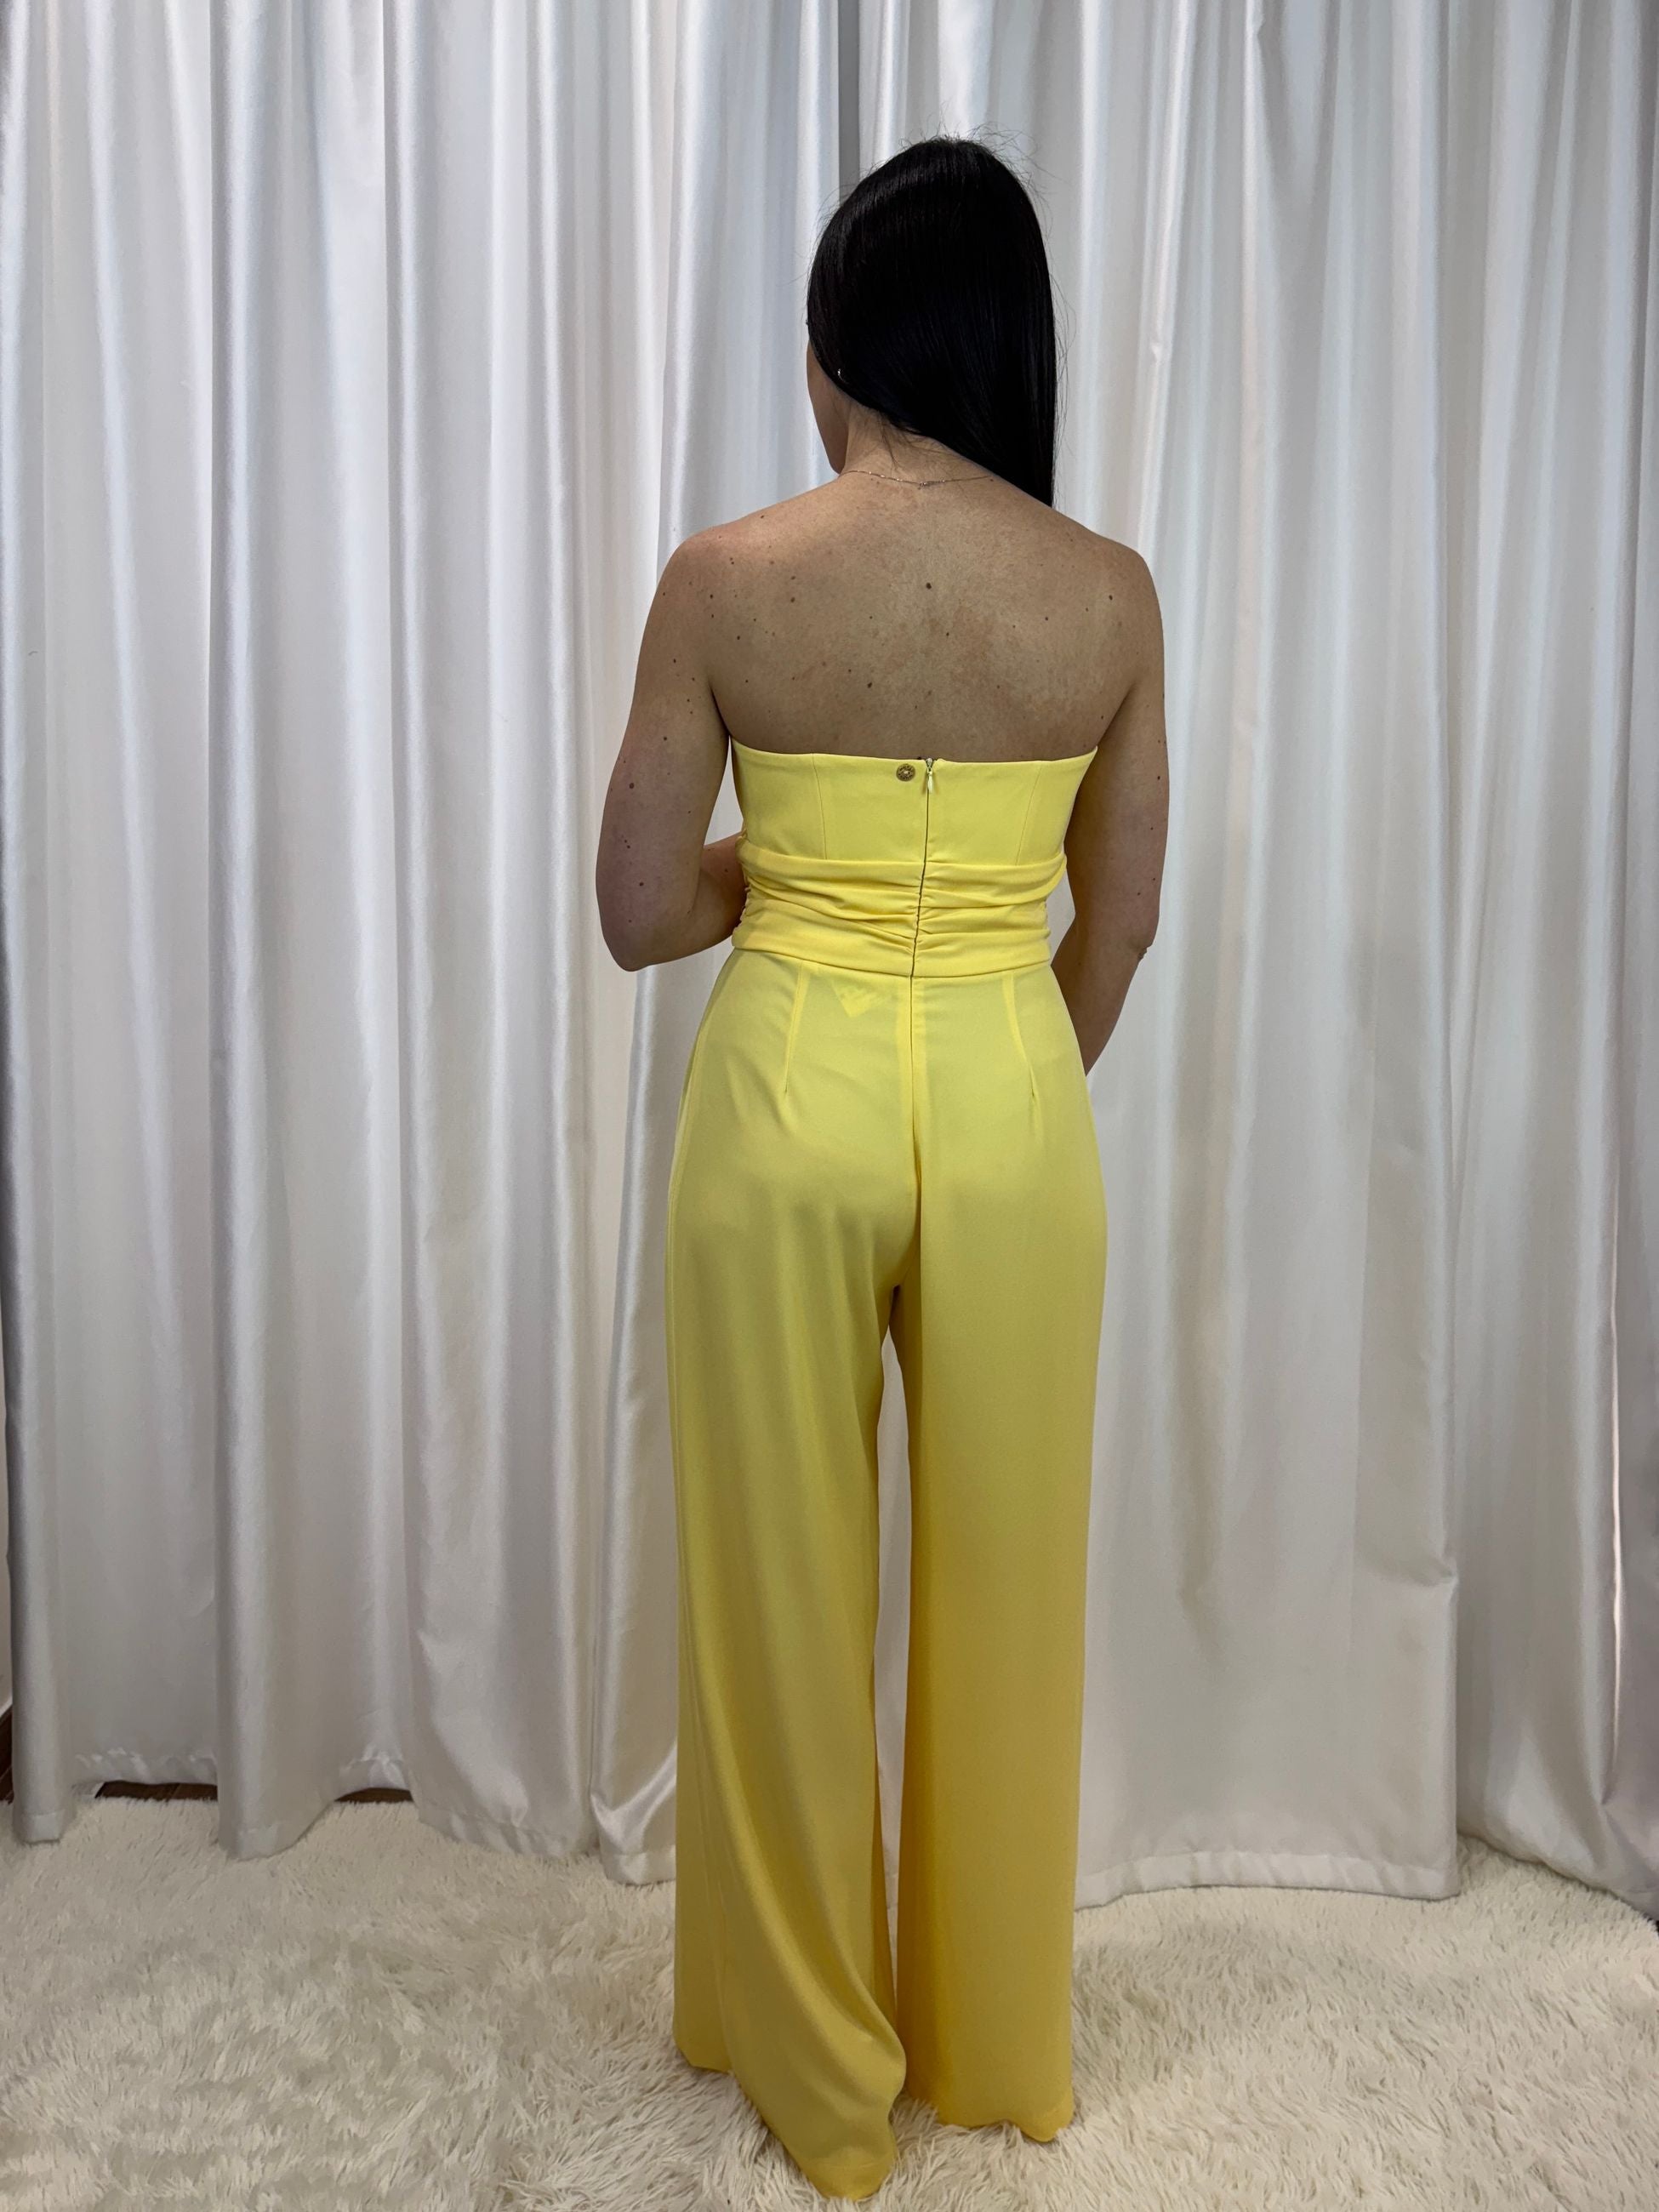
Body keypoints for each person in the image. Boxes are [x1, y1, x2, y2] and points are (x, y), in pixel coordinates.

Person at [596, 133, 1167, 2203]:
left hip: (785, 1095)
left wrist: (794, 872)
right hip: (1012, 1100)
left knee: (777, 1586)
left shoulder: (727, 579)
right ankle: (996, 2048)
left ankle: (816, 2077)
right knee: (1012, 1592)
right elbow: (1120, 920)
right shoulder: (1106, 593)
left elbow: (638, 908)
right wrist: (1007, 1068)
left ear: (840, 346)